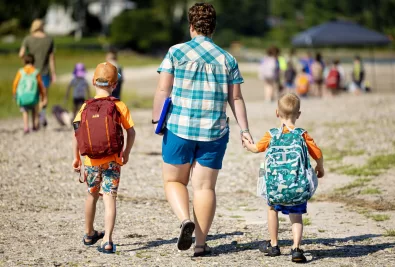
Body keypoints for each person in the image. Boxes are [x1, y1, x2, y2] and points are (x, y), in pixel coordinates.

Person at [153, 2, 253, 257]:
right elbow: (237, 98)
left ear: (191, 26)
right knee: (204, 188)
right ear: (213, 28)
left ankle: (185, 219)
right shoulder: (227, 58)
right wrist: (245, 129)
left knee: (174, 180)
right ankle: (200, 243)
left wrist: (157, 118)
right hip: (214, 132)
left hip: (179, 128)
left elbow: (164, 89)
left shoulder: (176, 52)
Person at [242, 93, 324, 263]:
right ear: (298, 114)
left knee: (272, 210)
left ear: (277, 113)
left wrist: (247, 145)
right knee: (297, 216)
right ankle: (296, 248)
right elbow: (318, 153)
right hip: (297, 186)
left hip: (275, 187)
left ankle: (274, 244)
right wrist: (320, 167)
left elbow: (257, 149)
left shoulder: (271, 135)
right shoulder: (302, 135)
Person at [72, 62, 136, 254]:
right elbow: (131, 132)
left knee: (91, 195)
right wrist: (126, 152)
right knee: (110, 197)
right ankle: (107, 240)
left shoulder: (85, 107)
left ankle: (89, 233)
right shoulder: (118, 105)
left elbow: (77, 133)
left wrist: (76, 158)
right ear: (114, 84)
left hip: (91, 161)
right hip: (113, 161)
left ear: (93, 82)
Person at [19, 19, 56, 127]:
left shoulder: (28, 39)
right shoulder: (49, 39)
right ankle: (42, 115)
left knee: (34, 96)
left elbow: (21, 54)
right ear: (42, 26)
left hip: (31, 73)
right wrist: (54, 73)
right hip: (44, 72)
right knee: (43, 97)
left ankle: (35, 122)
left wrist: (26, 62)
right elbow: (52, 58)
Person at [12, 54, 47, 134]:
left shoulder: (21, 72)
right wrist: (42, 95)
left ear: (24, 61)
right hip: (33, 96)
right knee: (34, 110)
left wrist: (14, 93)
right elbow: (40, 85)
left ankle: (26, 127)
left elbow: (15, 83)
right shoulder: (36, 72)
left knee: (25, 111)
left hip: (22, 96)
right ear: (33, 61)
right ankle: (34, 126)